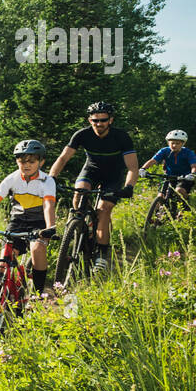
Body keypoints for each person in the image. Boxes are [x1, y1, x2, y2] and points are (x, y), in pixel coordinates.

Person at [48, 101, 139, 271]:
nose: (99, 124)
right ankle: (83, 227)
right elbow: (63, 158)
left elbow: (133, 167)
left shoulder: (121, 137)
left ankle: (102, 254)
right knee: (79, 196)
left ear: (110, 120)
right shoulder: (82, 134)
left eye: (103, 120)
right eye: (94, 120)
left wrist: (129, 187)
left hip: (113, 175)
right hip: (91, 169)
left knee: (103, 211)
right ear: (89, 120)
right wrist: (52, 176)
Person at [0, 139, 59, 296]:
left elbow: (48, 205)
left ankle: (38, 294)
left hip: (39, 222)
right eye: (22, 161)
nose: (26, 165)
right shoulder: (13, 178)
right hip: (17, 221)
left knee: (37, 249)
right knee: (3, 261)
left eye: (31, 161)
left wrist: (50, 227)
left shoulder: (47, 180)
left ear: (41, 162)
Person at [143, 129, 196, 204]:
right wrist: (143, 169)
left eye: (177, 143)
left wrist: (193, 174)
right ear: (168, 143)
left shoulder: (188, 153)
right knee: (160, 197)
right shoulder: (164, 151)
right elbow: (152, 161)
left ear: (183, 144)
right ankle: (157, 214)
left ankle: (185, 208)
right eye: (172, 143)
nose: (174, 145)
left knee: (179, 191)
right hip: (168, 176)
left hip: (184, 178)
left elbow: (194, 166)